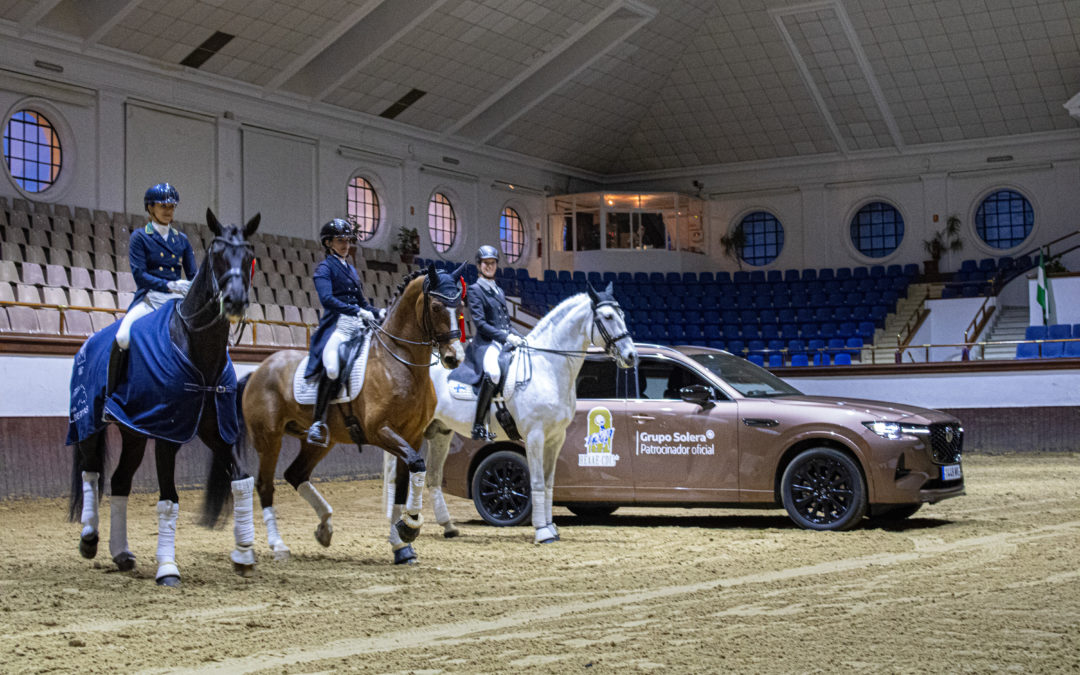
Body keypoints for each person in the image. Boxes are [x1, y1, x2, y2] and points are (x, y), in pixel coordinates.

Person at [107, 182, 196, 396]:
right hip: (150, 299)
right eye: (163, 206)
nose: (168, 211)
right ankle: (112, 395)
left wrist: (192, 287)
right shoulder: (140, 236)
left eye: (172, 207)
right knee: (123, 337)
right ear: (150, 208)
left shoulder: (181, 240)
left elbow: (194, 274)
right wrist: (169, 285)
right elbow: (140, 275)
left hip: (176, 302)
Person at [303, 218, 378, 447]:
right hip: (337, 325)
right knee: (333, 368)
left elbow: (362, 301)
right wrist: (357, 310)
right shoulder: (324, 269)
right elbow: (327, 299)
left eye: (348, 240)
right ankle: (317, 422)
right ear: (328, 243)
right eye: (340, 240)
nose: (346, 245)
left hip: (357, 325)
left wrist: (379, 311)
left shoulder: (351, 269)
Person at [463, 245, 524, 440]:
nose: (489, 266)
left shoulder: (498, 290)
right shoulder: (474, 290)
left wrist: (519, 337)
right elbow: (480, 324)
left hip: (502, 341)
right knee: (494, 373)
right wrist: (506, 337)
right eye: (485, 263)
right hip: (485, 344)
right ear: (479, 266)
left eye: (492, 263)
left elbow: (505, 322)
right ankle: (478, 425)